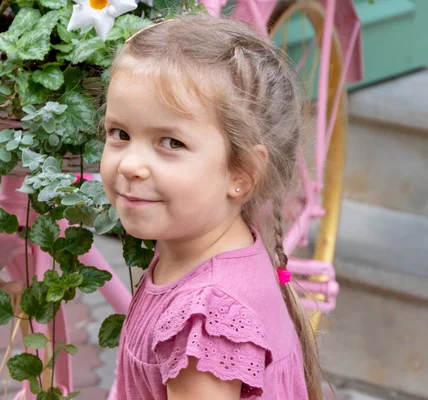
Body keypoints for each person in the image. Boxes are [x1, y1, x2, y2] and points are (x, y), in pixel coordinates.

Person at [99, 15, 323, 400]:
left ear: (241, 172)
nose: (131, 165)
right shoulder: (200, 252)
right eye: (120, 134)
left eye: (170, 143)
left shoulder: (205, 325)